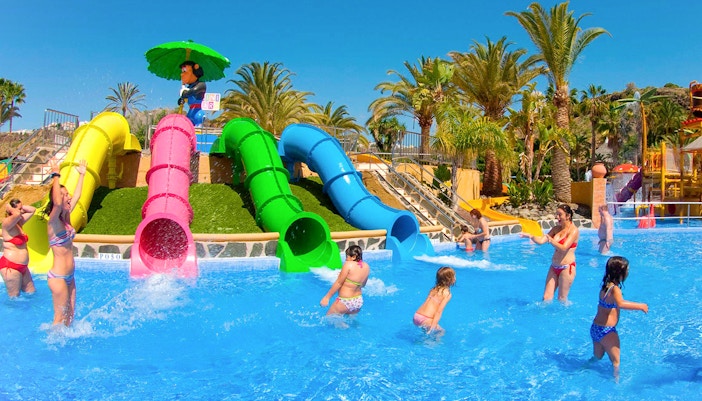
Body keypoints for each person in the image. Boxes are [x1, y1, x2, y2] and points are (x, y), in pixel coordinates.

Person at [590, 256, 648, 380]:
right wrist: (641, 306)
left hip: (595, 328)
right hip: (607, 331)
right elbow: (620, 304)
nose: (628, 272)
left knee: (597, 357)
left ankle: (583, 369)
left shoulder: (605, 287)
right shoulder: (615, 289)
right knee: (616, 363)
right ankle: (617, 384)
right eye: (627, 270)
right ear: (621, 273)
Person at [45, 158, 86, 326]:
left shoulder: (66, 218)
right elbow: (56, 202)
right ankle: (51, 343)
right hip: (59, 277)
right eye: (65, 195)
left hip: (70, 276)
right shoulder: (53, 222)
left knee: (70, 317)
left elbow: (77, 196)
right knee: (59, 318)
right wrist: (56, 175)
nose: (69, 197)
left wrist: (82, 175)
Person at [520, 204, 579, 302]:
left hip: (566, 268)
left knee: (562, 299)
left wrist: (551, 240)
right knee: (546, 298)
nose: (557, 217)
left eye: (560, 215)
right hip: (554, 267)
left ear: (568, 216)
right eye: (556, 214)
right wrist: (530, 236)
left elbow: (564, 248)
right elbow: (541, 241)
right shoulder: (556, 229)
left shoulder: (573, 231)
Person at [1, 198, 37, 297]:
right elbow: (16, 214)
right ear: (11, 210)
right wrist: (10, 208)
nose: (22, 211)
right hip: (11, 267)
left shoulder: (19, 222)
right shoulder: (7, 223)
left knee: (31, 294)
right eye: (19, 209)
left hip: (23, 267)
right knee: (14, 298)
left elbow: (32, 210)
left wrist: (20, 206)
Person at [320, 245, 370, 315]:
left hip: (345, 300)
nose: (346, 259)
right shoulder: (366, 266)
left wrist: (327, 297)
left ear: (353, 257)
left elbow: (339, 283)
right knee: (350, 320)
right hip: (358, 301)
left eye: (347, 257)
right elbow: (363, 285)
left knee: (329, 317)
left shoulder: (348, 264)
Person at [413, 266, 456, 335]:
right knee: (441, 332)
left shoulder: (433, 289)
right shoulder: (447, 294)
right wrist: (432, 327)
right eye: (454, 276)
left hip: (417, 316)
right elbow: (439, 312)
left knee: (425, 331)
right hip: (426, 318)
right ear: (450, 279)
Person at [178, 61, 207, 127]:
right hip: (190, 112)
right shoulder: (189, 87)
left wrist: (185, 93)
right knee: (187, 128)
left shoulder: (201, 84)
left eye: (184, 71)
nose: (182, 74)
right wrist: (181, 99)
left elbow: (194, 90)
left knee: (198, 129)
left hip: (198, 113)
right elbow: (185, 98)